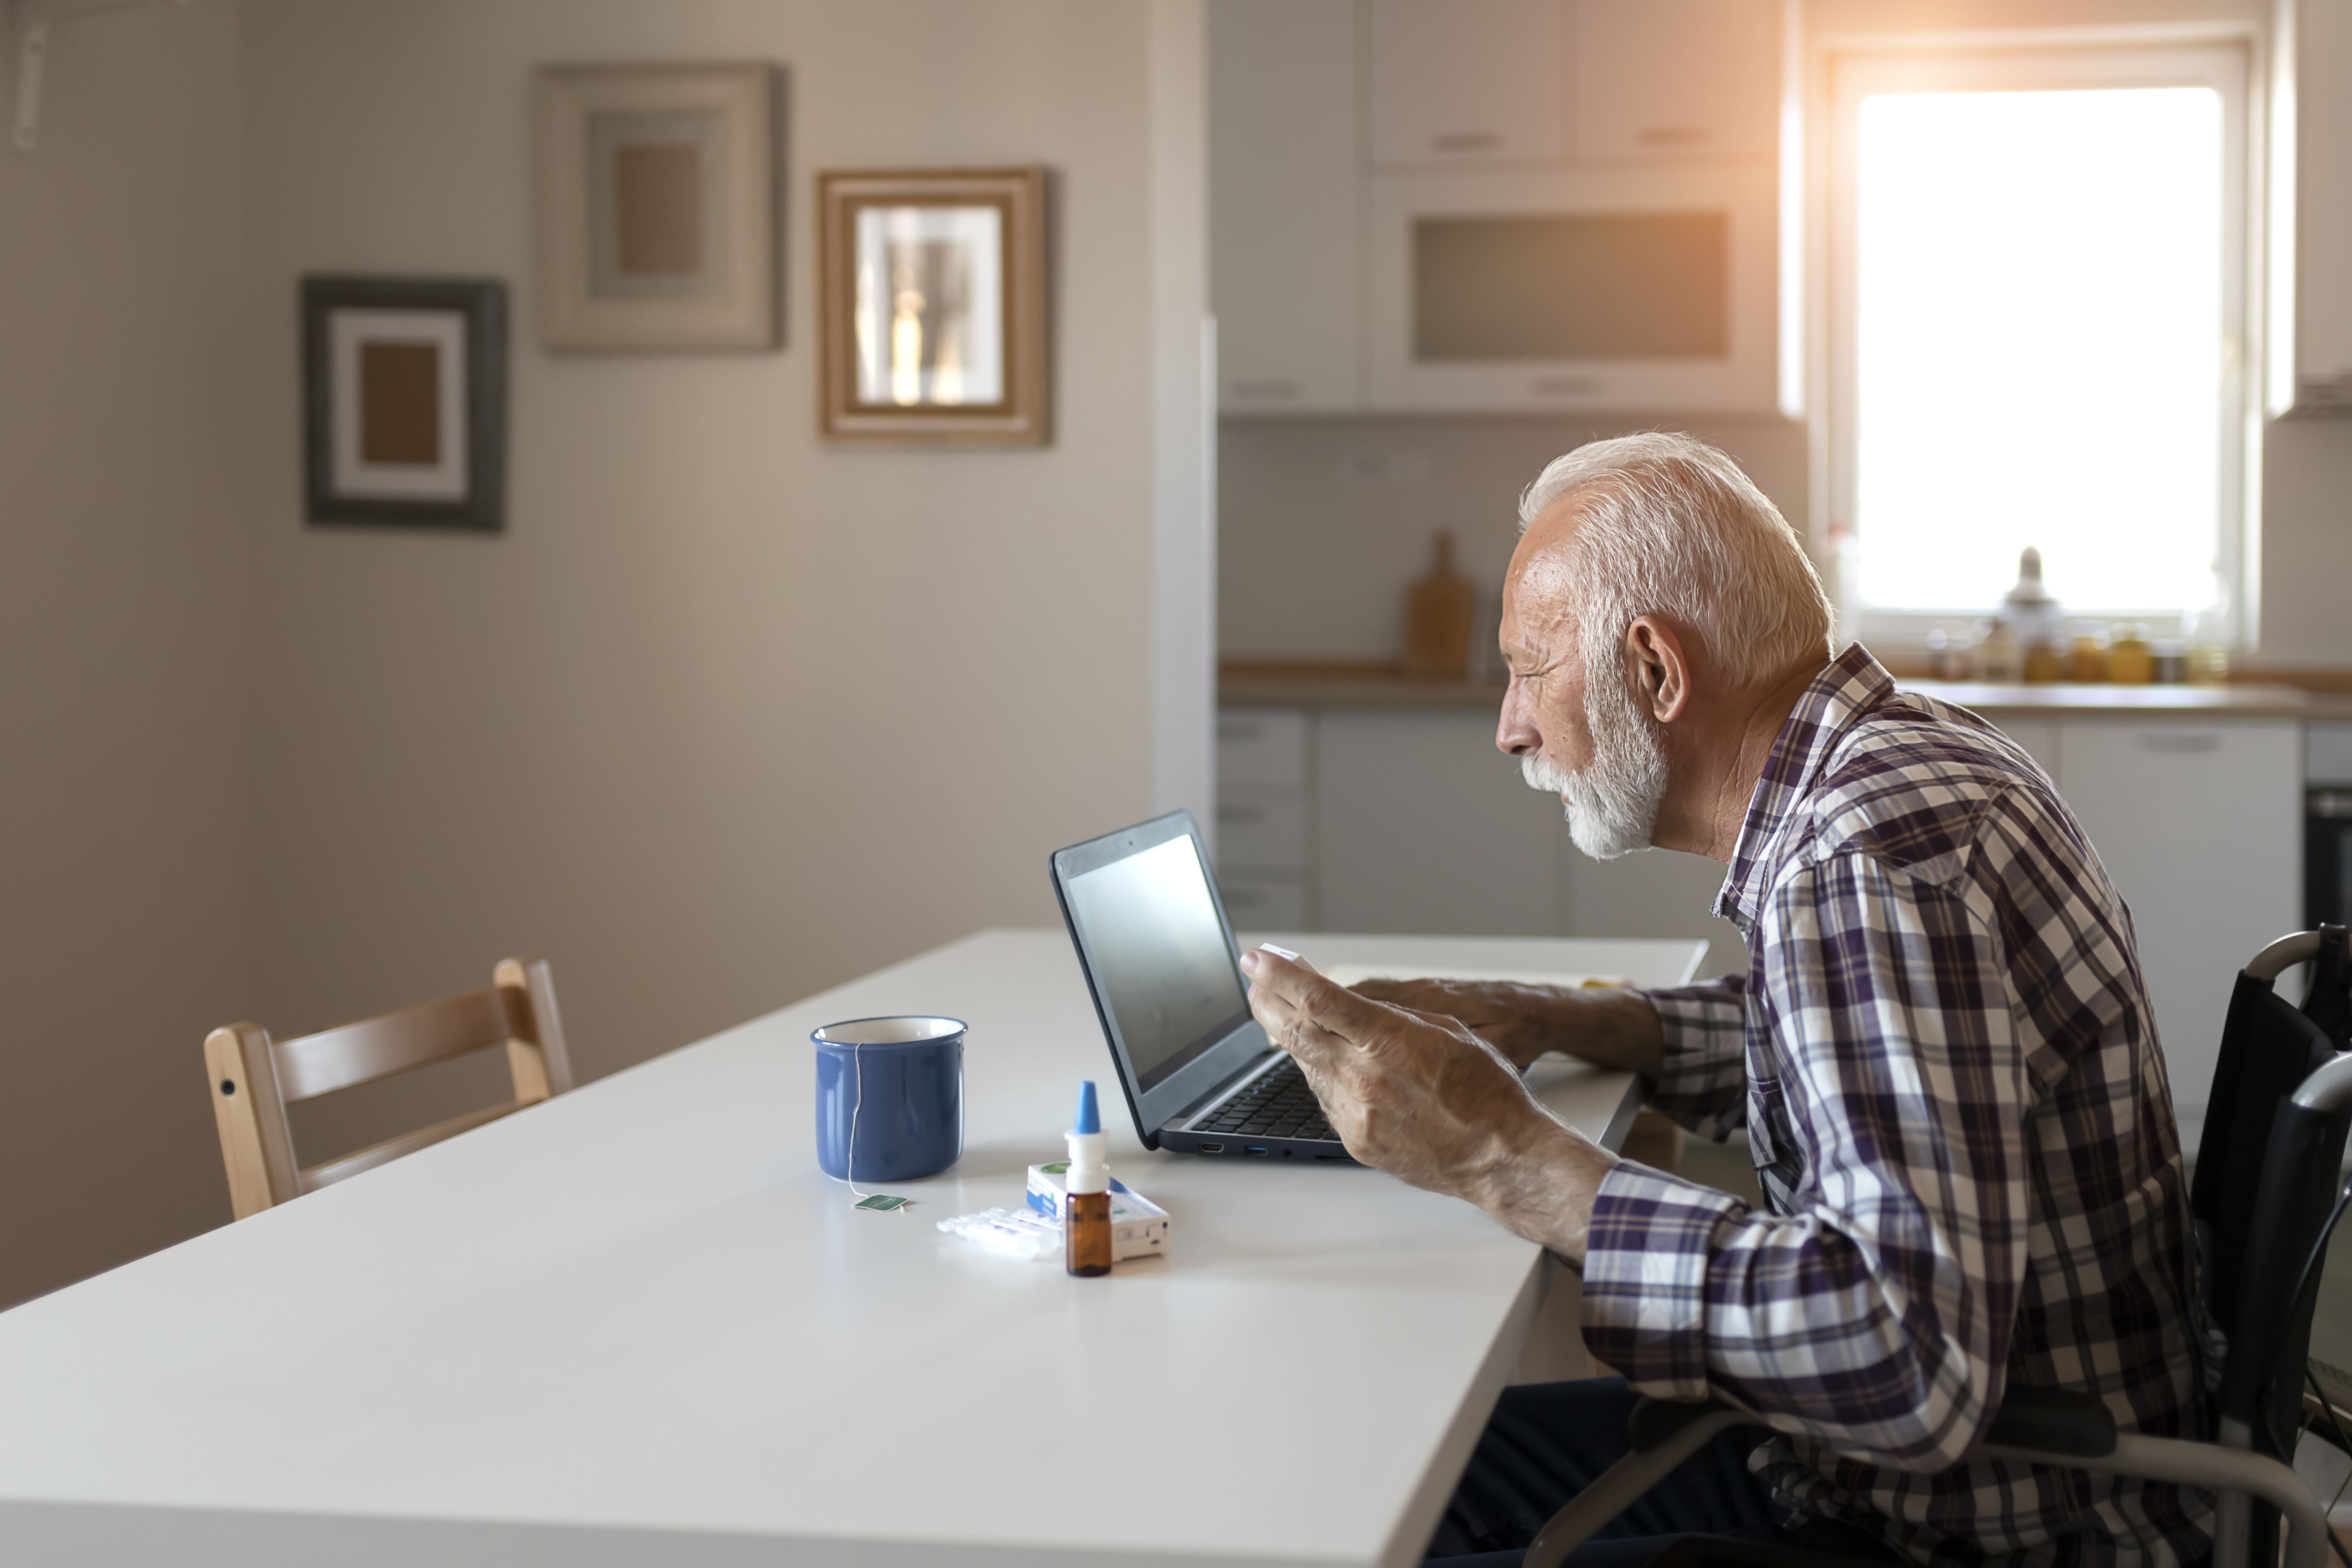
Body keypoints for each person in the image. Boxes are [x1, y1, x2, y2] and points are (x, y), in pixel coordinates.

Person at [1238, 434, 2210, 1566]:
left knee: (1364, 1512)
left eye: (1527, 668)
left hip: (1970, 1532)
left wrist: (1493, 1152)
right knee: (1392, 1474)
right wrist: (1542, 1015)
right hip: (1874, 1471)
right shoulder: (1900, 763)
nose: (1511, 726)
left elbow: (1904, 1357)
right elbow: (1830, 1046)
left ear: (1654, 670)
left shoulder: (1867, 861)